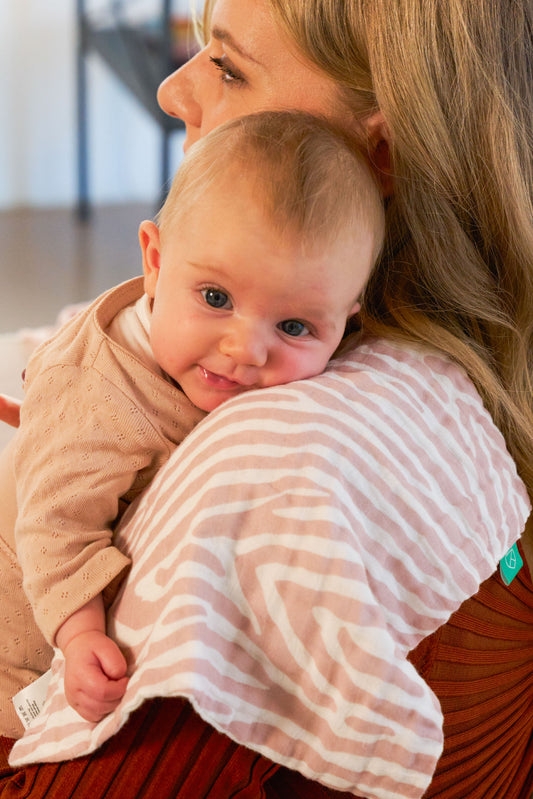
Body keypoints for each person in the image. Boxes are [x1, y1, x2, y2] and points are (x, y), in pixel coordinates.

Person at [0, 0, 531, 796]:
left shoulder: (281, 470)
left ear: (379, 151)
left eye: (227, 65)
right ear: (154, 259)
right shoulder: (461, 383)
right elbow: (58, 513)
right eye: (214, 297)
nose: (172, 92)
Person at [0, 108, 384, 737]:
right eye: (216, 299)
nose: (244, 350)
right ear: (154, 261)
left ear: (347, 317)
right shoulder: (102, 396)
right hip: (22, 630)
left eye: (294, 327)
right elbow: (54, 525)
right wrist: (80, 634)